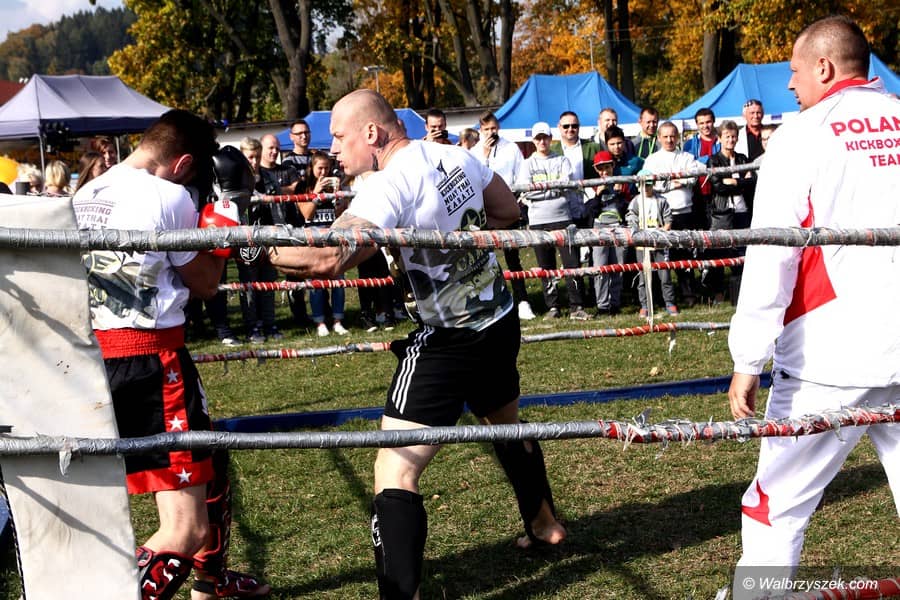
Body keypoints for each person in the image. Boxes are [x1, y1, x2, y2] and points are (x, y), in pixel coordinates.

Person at [269, 89, 566, 599]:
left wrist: (255, 251)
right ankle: (546, 526)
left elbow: (326, 259)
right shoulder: (456, 155)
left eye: (338, 136)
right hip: (497, 317)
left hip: (448, 338)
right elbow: (506, 210)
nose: (332, 148)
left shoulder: (391, 183)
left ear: (371, 132)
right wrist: (456, 247)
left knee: (395, 467)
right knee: (504, 424)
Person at [728, 16, 900, 597]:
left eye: (794, 70)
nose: (789, 84)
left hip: (827, 360)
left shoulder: (801, 136)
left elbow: (771, 254)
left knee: (774, 508)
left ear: (824, 67)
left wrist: (747, 358)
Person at [72, 109, 269, 599]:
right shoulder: (169, 195)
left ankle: (211, 582)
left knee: (210, 458)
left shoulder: (87, 192)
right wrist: (224, 223)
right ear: (182, 163)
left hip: (97, 360)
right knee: (184, 528)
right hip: (153, 361)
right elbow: (205, 284)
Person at [516, 121, 589, 321]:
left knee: (571, 263)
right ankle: (553, 306)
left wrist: (541, 190)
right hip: (538, 220)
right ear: (533, 140)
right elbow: (526, 191)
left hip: (563, 218)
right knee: (546, 266)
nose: (542, 141)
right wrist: (552, 190)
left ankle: (577, 306)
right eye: (538, 138)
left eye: (545, 137)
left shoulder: (562, 160)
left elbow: (566, 185)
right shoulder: (527, 164)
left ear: (550, 138)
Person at [470, 110, 535, 321]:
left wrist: (517, 199)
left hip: (508, 207)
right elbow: (475, 177)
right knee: (483, 259)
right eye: (486, 129)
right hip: (484, 211)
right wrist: (485, 155)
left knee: (512, 257)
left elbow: (522, 175)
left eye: (494, 128)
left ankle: (522, 300)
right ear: (480, 130)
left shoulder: (511, 148)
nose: (491, 132)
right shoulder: (474, 152)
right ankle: (487, 302)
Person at [642, 121, 705, 310]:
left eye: (672, 136)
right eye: (666, 136)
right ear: (659, 138)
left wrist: (677, 181)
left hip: (684, 212)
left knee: (684, 255)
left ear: (677, 137)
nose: (669, 140)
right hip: (660, 216)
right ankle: (661, 298)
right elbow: (652, 185)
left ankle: (688, 294)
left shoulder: (687, 157)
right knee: (660, 257)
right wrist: (674, 182)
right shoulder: (652, 160)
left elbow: (693, 177)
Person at [259, 132, 311, 328]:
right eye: (270, 148)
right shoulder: (257, 174)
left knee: (296, 274)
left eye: (277, 149)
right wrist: (285, 190)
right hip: (265, 229)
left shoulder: (288, 170)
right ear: (261, 149)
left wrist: (279, 191)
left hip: (290, 227)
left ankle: (300, 317)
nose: (274, 152)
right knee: (264, 278)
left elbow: (299, 189)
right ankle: (265, 320)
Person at [299, 151, 350, 336]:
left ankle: (338, 321)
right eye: (320, 168)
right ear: (312, 168)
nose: (323, 172)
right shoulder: (303, 186)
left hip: (333, 239)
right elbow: (307, 214)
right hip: (313, 241)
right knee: (316, 285)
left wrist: (338, 196)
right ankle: (320, 322)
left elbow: (340, 215)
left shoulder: (333, 185)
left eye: (327, 168)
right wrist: (316, 192)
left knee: (338, 282)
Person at [238, 136, 283, 343]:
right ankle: (252, 327)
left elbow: (278, 207)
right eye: (250, 157)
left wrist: (279, 233)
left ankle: (269, 324)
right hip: (246, 239)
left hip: (269, 236)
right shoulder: (237, 180)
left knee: (268, 284)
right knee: (249, 285)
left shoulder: (269, 178)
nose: (254, 161)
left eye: (257, 156)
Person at [706, 120, 755, 304]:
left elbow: (752, 182)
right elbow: (718, 186)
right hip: (722, 213)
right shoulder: (714, 160)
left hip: (742, 211)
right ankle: (718, 293)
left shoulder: (743, 159)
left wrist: (734, 182)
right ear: (719, 138)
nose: (730, 140)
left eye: (733, 136)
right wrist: (740, 182)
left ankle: (742, 294)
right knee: (719, 252)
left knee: (743, 251)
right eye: (727, 136)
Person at [626, 170, 676, 319]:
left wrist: (661, 233)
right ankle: (645, 305)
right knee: (643, 276)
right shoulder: (635, 202)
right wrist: (638, 235)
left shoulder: (661, 200)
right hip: (642, 245)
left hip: (660, 243)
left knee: (665, 274)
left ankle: (669, 303)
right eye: (643, 185)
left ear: (653, 184)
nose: (646, 188)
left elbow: (668, 221)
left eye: (648, 185)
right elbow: (631, 222)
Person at [589, 150, 628, 316]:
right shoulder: (592, 185)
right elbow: (590, 212)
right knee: (600, 267)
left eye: (607, 167)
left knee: (617, 266)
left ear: (613, 166)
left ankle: (615, 303)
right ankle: (602, 305)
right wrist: (598, 195)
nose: (604, 172)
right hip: (600, 227)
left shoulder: (621, 183)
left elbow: (625, 209)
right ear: (595, 169)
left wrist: (618, 194)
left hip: (618, 226)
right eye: (600, 168)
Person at [281, 118, 314, 191]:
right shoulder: (288, 161)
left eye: (306, 132)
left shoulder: (316, 158)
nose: (304, 136)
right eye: (299, 133)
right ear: (291, 137)